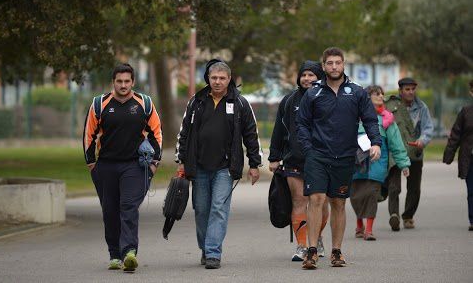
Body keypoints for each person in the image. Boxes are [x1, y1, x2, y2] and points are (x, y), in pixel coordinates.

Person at [296, 47, 381, 269]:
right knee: (316, 199)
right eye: (330, 63)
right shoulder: (313, 93)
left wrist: (376, 143)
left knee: (338, 202)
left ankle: (336, 251)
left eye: (338, 63)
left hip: (344, 156)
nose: (334, 67)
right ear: (323, 66)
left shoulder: (357, 92)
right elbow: (302, 124)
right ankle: (312, 251)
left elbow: (370, 120)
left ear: (344, 65)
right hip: (317, 155)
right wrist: (308, 148)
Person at [175, 59, 262, 269]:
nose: (217, 82)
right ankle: (206, 248)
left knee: (218, 209)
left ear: (229, 79)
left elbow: (251, 134)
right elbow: (184, 132)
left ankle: (213, 252)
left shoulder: (240, 103)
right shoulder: (197, 101)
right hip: (199, 166)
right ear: (208, 78)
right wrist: (181, 160)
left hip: (225, 167)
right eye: (214, 77)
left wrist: (254, 163)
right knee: (202, 210)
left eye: (222, 78)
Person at [83, 63, 162, 272]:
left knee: (128, 206)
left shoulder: (144, 104)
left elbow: (156, 133)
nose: (123, 85)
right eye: (119, 81)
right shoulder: (99, 104)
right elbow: (89, 135)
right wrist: (92, 164)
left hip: (135, 166)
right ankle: (114, 255)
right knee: (110, 211)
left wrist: (154, 163)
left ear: (133, 82)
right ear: (113, 82)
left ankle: (129, 252)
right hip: (106, 166)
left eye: (127, 81)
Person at [268, 60, 329, 261]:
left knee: (319, 202)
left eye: (312, 75)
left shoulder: (330, 99)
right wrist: (274, 157)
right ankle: (302, 245)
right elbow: (279, 130)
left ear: (319, 77)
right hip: (294, 159)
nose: (307, 78)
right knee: (299, 201)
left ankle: (317, 238)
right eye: (304, 75)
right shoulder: (289, 101)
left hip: (322, 159)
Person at [350, 85, 410, 241]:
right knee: (356, 195)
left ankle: (368, 230)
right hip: (356, 163)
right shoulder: (355, 117)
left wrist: (404, 164)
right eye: (376, 94)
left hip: (377, 163)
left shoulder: (387, 119)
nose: (380, 96)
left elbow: (397, 144)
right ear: (367, 97)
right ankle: (359, 225)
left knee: (371, 195)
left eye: (382, 94)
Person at [385, 77, 433, 230]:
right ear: (400, 91)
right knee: (394, 186)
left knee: (414, 188)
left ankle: (408, 216)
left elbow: (428, 128)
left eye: (413, 89)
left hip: (415, 152)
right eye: (407, 89)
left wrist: (422, 140)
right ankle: (394, 215)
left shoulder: (422, 107)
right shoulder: (392, 105)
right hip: (395, 152)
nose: (410, 92)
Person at [443, 80, 473, 231]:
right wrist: (449, 154)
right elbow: (456, 134)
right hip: (470, 158)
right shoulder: (466, 112)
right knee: (472, 190)